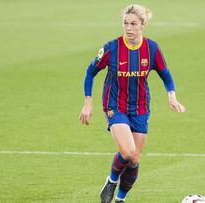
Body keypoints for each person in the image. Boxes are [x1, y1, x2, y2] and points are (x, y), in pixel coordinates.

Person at [79, 4, 186, 203]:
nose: (128, 28)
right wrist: (88, 102)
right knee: (127, 152)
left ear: (142, 25)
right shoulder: (111, 48)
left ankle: (120, 199)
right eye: (125, 23)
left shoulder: (152, 48)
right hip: (115, 105)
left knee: (134, 159)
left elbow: (166, 75)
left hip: (140, 108)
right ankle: (111, 181)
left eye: (133, 24)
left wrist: (172, 95)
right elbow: (90, 72)